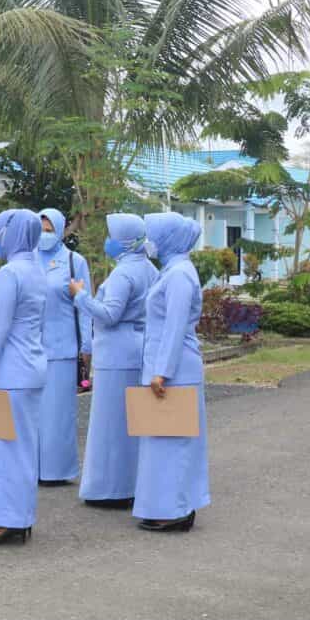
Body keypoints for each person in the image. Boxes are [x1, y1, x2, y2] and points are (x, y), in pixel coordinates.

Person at [0, 208, 48, 545]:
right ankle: (20, 517)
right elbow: (20, 322)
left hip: (9, 372)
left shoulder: (8, 274)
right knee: (23, 449)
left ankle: (7, 521)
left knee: (3, 450)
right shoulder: (36, 270)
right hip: (30, 368)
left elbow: (1, 328)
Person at [70, 214, 158, 509]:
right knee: (131, 423)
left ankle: (109, 488)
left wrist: (80, 295)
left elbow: (109, 314)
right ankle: (131, 483)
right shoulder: (148, 268)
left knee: (110, 424)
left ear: (121, 240)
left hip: (116, 353)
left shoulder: (123, 274)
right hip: (137, 349)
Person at [133, 212, 208, 533]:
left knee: (174, 443)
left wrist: (162, 371)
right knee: (163, 441)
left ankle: (176, 510)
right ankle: (170, 506)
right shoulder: (174, 270)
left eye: (153, 234)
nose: (149, 241)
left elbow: (176, 326)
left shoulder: (179, 275)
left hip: (174, 369)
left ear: (169, 238)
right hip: (168, 366)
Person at [35, 208, 93, 486]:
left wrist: (86, 347)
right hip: (30, 349)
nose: (43, 236)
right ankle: (31, 467)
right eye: (40, 230)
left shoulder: (74, 261)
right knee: (31, 414)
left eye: (49, 230)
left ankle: (56, 471)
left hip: (62, 349)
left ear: (59, 231)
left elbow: (85, 307)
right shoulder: (27, 259)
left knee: (58, 415)